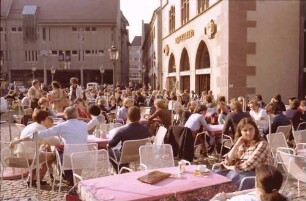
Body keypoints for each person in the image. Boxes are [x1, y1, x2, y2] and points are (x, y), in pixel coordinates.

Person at [215, 118, 271, 189]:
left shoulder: (262, 144)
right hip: (241, 172)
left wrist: (230, 167)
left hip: (256, 176)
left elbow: (249, 165)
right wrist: (236, 145)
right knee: (215, 175)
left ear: (255, 129)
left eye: (251, 129)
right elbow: (228, 161)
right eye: (245, 130)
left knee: (226, 183)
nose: (248, 133)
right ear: (240, 132)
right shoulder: (242, 144)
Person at [9, 110, 57, 186]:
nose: (48, 119)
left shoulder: (30, 125)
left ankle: (31, 179)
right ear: (44, 118)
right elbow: (54, 141)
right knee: (52, 156)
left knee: (41, 155)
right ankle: (37, 179)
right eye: (48, 117)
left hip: (20, 154)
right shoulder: (41, 128)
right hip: (30, 156)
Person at [211, 164, 287, 201]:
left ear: (256, 183)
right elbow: (251, 191)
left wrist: (218, 197)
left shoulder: (246, 199)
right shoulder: (277, 196)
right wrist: (228, 195)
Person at [108, 106, 149, 170]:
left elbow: (111, 144)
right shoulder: (146, 129)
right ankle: (123, 168)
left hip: (124, 157)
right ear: (140, 117)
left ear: (128, 117)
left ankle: (120, 169)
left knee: (108, 149)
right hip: (138, 155)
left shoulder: (122, 131)